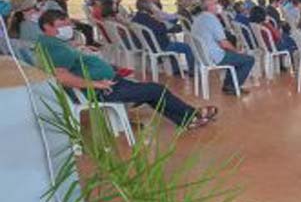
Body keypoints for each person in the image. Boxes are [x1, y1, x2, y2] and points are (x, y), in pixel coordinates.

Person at [35, 9, 215, 129]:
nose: (67, 28)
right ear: (47, 27)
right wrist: (95, 84)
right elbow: (60, 76)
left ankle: (186, 120)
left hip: (109, 83)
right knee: (155, 89)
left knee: (151, 91)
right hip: (104, 90)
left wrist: (77, 50)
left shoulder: (52, 42)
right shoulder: (52, 46)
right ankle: (192, 115)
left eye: (68, 24)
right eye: (62, 26)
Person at [191, 0, 255, 95]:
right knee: (249, 59)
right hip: (214, 57)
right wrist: (237, 51)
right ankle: (233, 86)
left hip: (202, 56)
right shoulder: (212, 19)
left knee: (234, 57)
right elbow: (223, 43)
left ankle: (229, 85)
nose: (219, 5)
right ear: (210, 6)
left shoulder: (199, 18)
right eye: (216, 3)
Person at [132, 0, 194, 76]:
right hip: (160, 46)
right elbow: (162, 28)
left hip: (148, 45)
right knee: (186, 47)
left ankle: (176, 69)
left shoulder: (136, 18)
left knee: (174, 44)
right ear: (147, 7)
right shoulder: (148, 19)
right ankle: (192, 71)